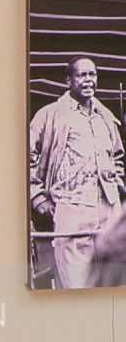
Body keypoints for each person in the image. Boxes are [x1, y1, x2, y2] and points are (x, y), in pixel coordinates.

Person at [29, 56, 124, 290]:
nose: (88, 80)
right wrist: (38, 197)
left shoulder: (105, 118)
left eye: (92, 75)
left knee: (113, 283)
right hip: (71, 208)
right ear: (68, 80)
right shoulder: (50, 115)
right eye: (82, 75)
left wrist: (117, 180)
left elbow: (118, 156)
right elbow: (26, 156)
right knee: (78, 286)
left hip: (108, 208)